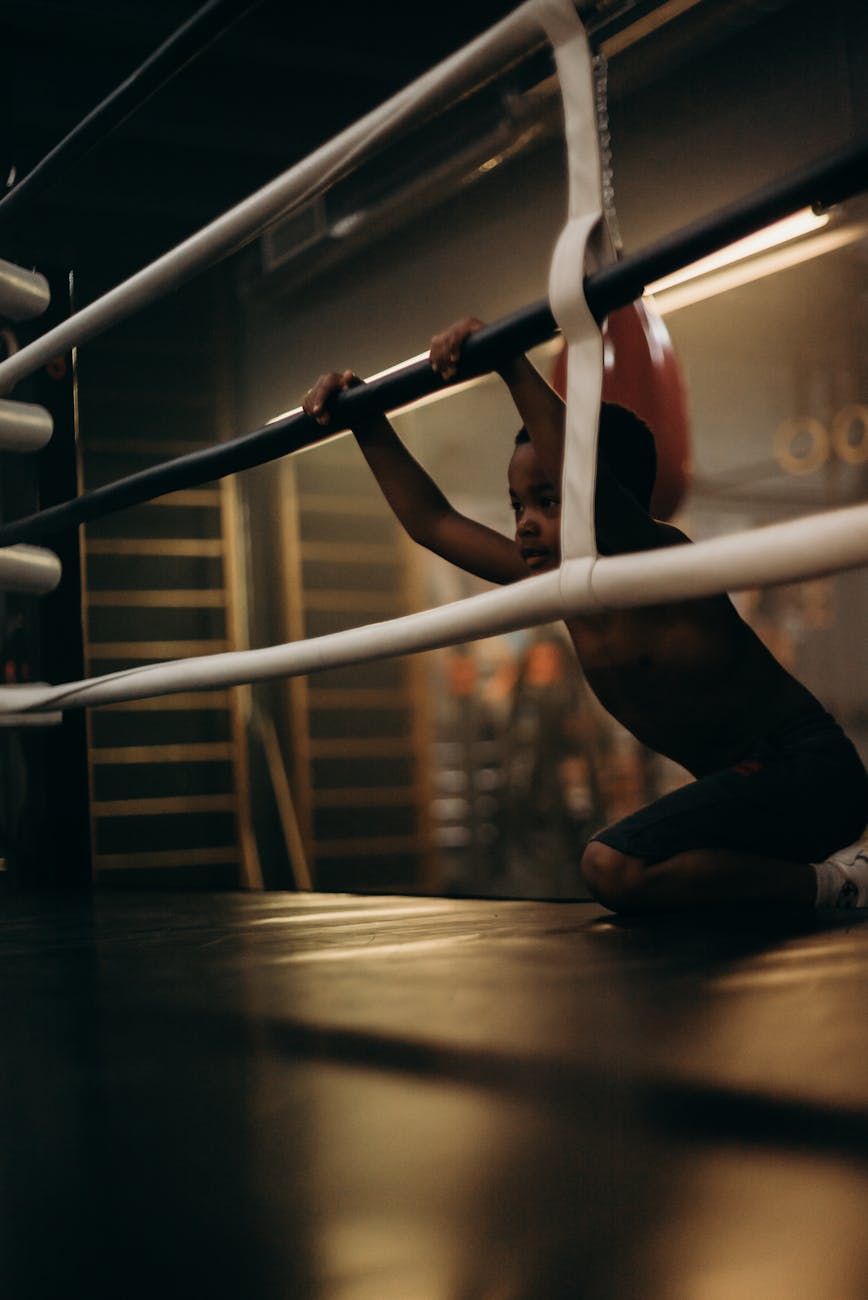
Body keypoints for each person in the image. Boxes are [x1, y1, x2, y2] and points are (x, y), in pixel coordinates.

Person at [301, 316, 868, 913]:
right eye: (518, 504)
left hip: (808, 773)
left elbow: (589, 489)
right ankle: (833, 879)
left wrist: (509, 359)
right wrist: (364, 420)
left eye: (547, 501)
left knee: (611, 863)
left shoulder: (657, 561)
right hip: (753, 790)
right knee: (648, 872)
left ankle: (847, 885)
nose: (523, 522)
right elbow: (432, 522)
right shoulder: (562, 585)